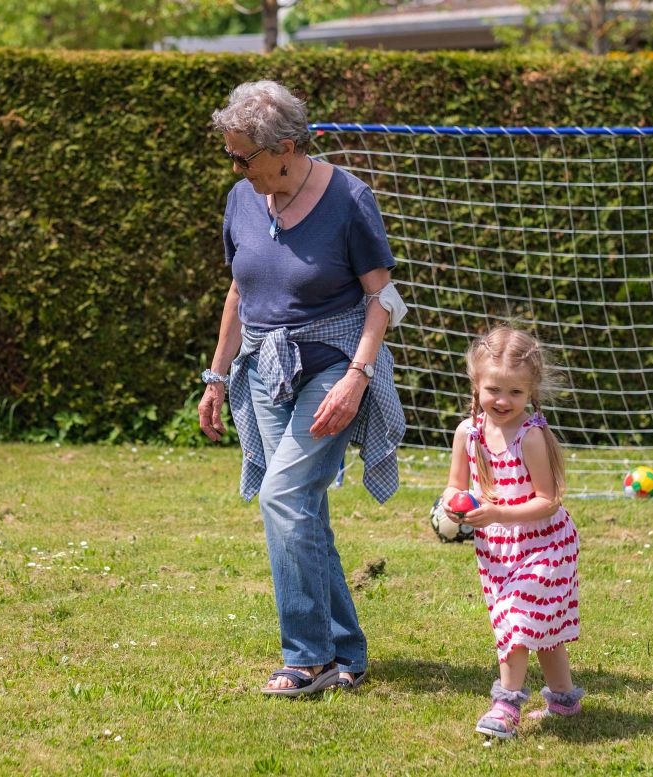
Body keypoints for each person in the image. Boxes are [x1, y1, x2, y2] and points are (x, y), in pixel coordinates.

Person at [198, 81, 406, 696]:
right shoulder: (242, 200)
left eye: (243, 157)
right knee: (302, 509)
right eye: (231, 156)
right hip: (263, 368)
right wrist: (216, 376)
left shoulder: (349, 199)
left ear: (285, 147)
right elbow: (240, 292)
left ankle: (307, 658)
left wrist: (356, 377)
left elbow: (383, 298)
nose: (234, 168)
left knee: (282, 497)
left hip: (334, 366)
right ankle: (348, 654)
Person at [442, 325, 583, 738]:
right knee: (545, 629)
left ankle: (506, 706)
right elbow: (454, 485)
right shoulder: (466, 433)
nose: (503, 401)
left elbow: (548, 499)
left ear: (531, 391)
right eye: (494, 390)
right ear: (476, 385)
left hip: (546, 546)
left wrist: (497, 512)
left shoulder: (531, 436)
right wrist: (452, 505)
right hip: (499, 550)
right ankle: (564, 701)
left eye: (516, 393)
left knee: (519, 622)